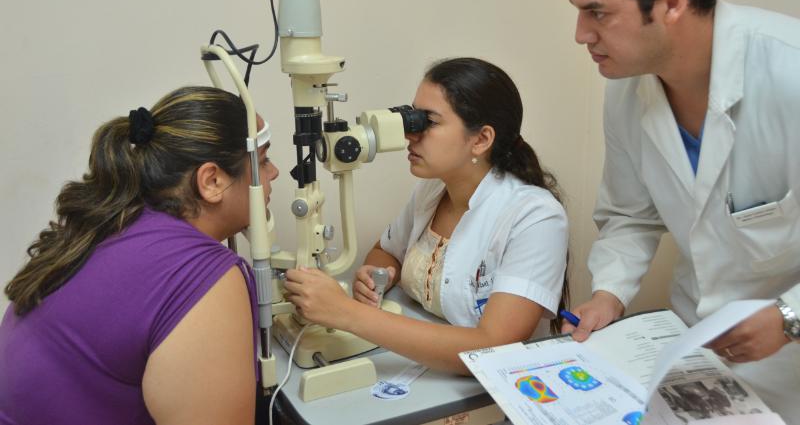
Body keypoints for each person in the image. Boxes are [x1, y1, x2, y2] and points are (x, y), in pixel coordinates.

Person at [550, 0, 800, 421]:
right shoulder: (626, 91)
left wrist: (789, 317)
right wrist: (609, 294)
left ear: (671, 1)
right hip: (695, 355)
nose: (581, 35)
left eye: (598, 12)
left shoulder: (790, 73)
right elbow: (630, 215)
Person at [0, 86, 279, 425]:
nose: (274, 172)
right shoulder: (203, 277)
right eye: (262, 161)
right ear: (212, 180)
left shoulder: (107, 222)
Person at [283, 57, 569, 374]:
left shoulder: (535, 217)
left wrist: (346, 312)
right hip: (423, 373)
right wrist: (376, 275)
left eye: (427, 122)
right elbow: (386, 252)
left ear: (481, 139)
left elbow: (494, 347)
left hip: (496, 394)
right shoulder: (431, 191)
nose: (411, 134)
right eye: (412, 118)